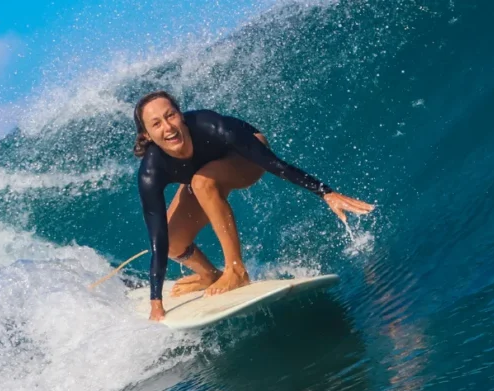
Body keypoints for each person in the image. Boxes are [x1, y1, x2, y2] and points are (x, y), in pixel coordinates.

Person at [134, 90, 374, 321]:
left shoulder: (211, 125)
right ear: (146, 136)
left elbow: (273, 163)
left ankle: (236, 270)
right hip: (204, 175)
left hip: (246, 157)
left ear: (181, 115)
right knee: (174, 241)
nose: (168, 127)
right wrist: (157, 302)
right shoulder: (150, 172)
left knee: (201, 182)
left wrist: (326, 193)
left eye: (171, 115)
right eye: (156, 124)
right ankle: (209, 274)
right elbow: (158, 237)